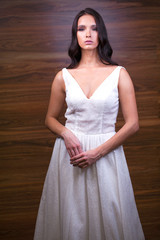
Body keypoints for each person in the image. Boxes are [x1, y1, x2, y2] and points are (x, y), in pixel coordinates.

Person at [34, 8, 145, 240]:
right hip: (70, 156)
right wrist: (66, 133)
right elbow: (50, 119)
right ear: (75, 35)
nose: (88, 34)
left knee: (110, 220)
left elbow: (133, 124)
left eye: (94, 28)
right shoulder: (62, 76)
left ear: (101, 34)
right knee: (71, 220)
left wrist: (97, 153)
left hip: (106, 154)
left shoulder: (119, 74)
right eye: (81, 29)